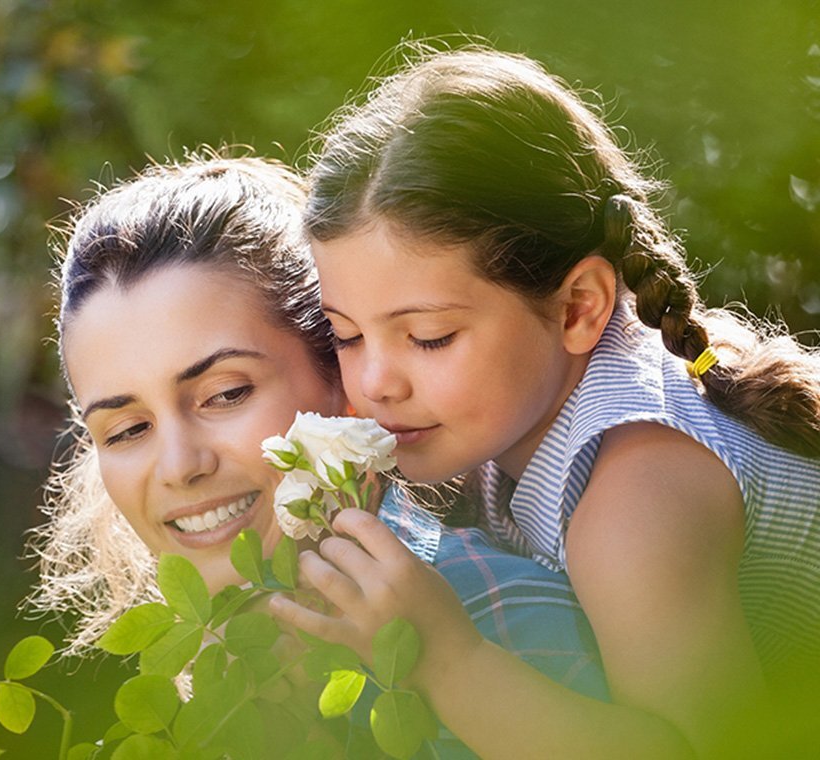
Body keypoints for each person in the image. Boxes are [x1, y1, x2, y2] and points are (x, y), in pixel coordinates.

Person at [271, 44, 820, 758]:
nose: (375, 383)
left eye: (429, 338)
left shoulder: (634, 500)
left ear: (577, 308)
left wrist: (445, 658)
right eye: (345, 335)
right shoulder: (524, 418)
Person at [27, 154, 607, 754]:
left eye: (226, 394)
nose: (180, 465)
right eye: (125, 430)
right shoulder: (207, 681)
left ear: (343, 382)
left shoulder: (507, 624)